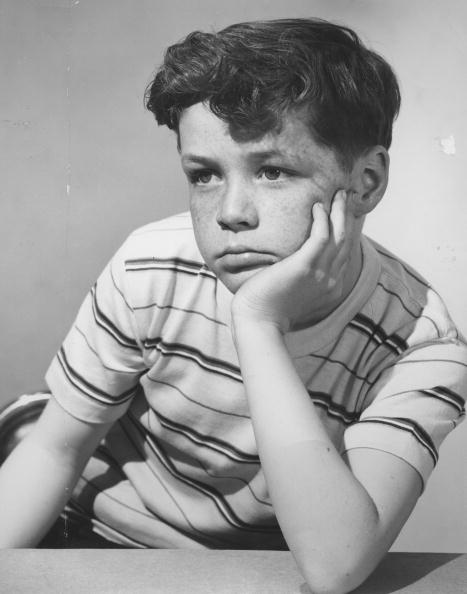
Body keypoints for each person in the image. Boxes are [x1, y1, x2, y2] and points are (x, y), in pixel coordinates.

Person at [0, 17, 465, 593]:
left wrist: (259, 324)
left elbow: (336, 565)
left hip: (248, 572)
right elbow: (53, 451)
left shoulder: (421, 343)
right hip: (81, 533)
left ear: (366, 181)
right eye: (204, 175)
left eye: (273, 171)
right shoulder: (152, 264)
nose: (231, 213)